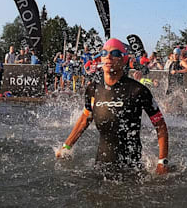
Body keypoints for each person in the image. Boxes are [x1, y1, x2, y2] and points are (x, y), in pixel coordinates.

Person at [55, 38, 169, 173]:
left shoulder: (137, 90)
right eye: (104, 53)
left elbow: (160, 126)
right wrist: (66, 147)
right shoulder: (93, 89)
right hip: (101, 166)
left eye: (115, 53)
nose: (108, 56)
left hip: (131, 170)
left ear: (123, 60)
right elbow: (85, 119)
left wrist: (162, 162)